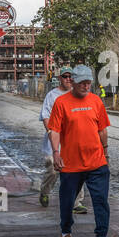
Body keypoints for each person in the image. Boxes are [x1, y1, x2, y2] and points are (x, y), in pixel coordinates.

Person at [47, 64, 119, 237]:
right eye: (83, 83)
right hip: (70, 164)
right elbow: (54, 130)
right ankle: (66, 232)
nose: (87, 86)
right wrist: (56, 152)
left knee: (101, 200)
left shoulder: (96, 101)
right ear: (72, 81)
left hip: (97, 162)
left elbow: (102, 130)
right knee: (67, 200)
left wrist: (106, 152)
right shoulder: (61, 103)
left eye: (89, 83)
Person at [38, 67, 86, 213]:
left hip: (73, 141)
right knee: (53, 170)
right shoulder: (52, 96)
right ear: (59, 78)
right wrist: (52, 133)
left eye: (71, 77)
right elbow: (46, 116)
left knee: (77, 171)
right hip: (55, 142)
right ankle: (45, 192)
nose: (68, 79)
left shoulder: (77, 95)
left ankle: (76, 203)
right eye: (65, 76)